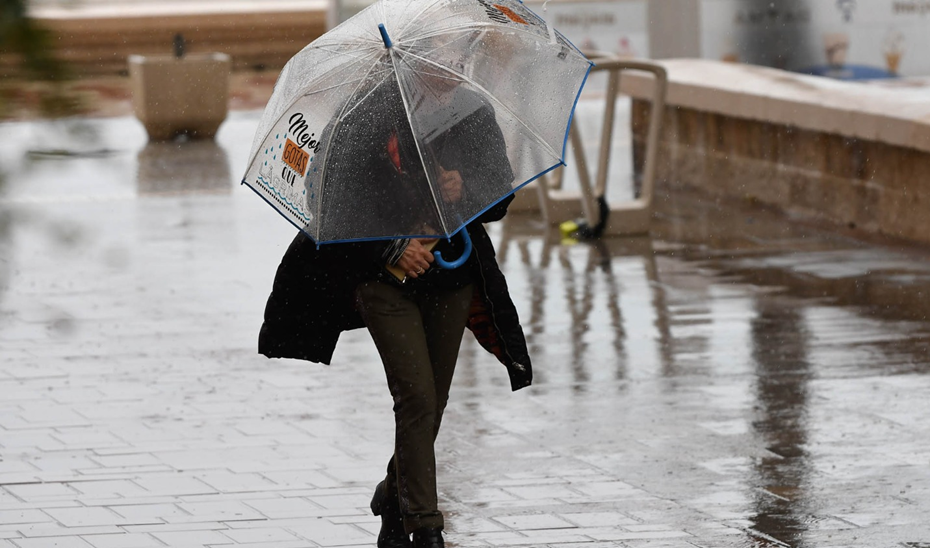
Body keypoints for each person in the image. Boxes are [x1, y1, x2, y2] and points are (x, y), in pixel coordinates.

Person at [257, 65, 533, 548]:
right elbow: (327, 202)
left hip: (450, 276)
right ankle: (425, 526)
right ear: (412, 62)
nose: (452, 67)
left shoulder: (471, 112)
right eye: (439, 55)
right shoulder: (365, 114)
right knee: (417, 398)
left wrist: (461, 188)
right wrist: (391, 249)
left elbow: (499, 196)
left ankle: (393, 493)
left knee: (433, 402)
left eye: (455, 55)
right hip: (382, 281)